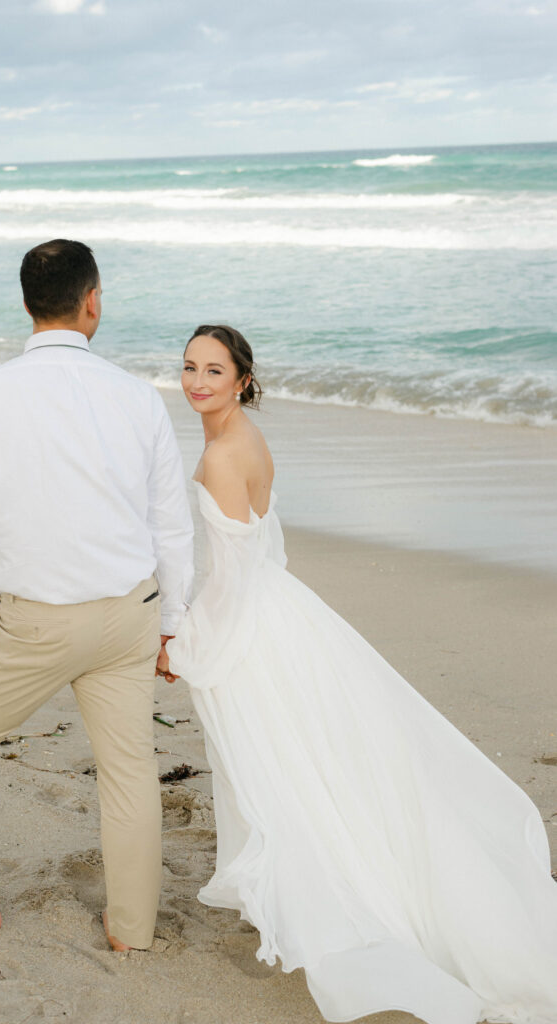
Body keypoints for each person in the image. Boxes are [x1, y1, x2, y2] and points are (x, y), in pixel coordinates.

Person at [162, 324, 557, 1024]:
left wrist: (182, 644)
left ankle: (343, 906)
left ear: (243, 380)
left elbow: (225, 583)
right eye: (189, 367)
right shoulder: (246, 435)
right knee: (326, 767)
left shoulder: (224, 453)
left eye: (213, 371)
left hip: (252, 629)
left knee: (288, 775)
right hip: (282, 611)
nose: (196, 382)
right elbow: (263, 547)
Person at [0, 239, 193, 953]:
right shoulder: (135, 395)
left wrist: (11, 554)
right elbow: (170, 525)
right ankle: (133, 930)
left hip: (37, 620)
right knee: (127, 769)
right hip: (130, 615)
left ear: (27, 304)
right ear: (93, 302)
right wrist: (173, 627)